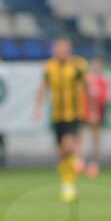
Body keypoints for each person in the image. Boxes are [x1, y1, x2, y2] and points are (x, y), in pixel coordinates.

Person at [33, 38, 88, 203]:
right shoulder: (49, 67)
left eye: (63, 49)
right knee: (62, 153)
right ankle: (68, 185)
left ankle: (78, 161)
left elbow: (86, 87)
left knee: (68, 144)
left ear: (69, 50)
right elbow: (43, 87)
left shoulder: (78, 65)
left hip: (74, 113)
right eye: (58, 49)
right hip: (57, 115)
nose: (60, 52)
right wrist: (38, 107)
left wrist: (90, 109)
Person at [83, 55, 110, 176]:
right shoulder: (86, 78)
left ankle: (94, 164)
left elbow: (105, 98)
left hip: (97, 112)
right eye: (95, 63)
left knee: (95, 137)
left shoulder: (104, 79)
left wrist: (97, 112)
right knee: (79, 136)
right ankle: (79, 162)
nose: (96, 66)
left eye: (99, 63)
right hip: (84, 110)